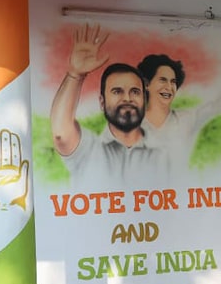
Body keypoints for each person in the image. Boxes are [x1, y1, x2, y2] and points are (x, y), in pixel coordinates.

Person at [50, 24, 167, 188]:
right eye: (117, 91)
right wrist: (75, 74)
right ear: (102, 102)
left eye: (134, 91)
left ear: (144, 100)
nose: (127, 98)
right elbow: (61, 133)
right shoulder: (88, 149)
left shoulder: (164, 152)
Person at [136, 28, 221, 168]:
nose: (169, 87)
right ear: (146, 84)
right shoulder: (130, 123)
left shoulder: (187, 118)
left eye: (173, 82)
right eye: (163, 80)